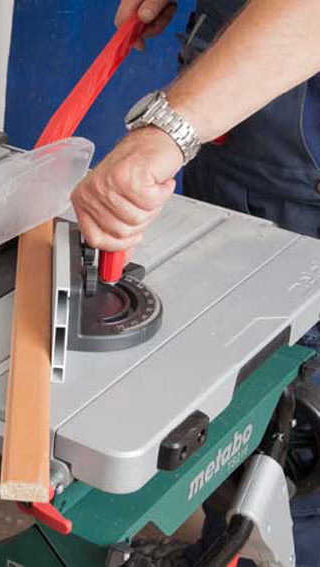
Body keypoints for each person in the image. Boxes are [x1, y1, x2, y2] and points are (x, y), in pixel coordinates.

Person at [70, 1, 320, 566]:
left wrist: (167, 130)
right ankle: (220, 550)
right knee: (237, 408)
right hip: (243, 142)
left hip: (300, 189)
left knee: (288, 449)